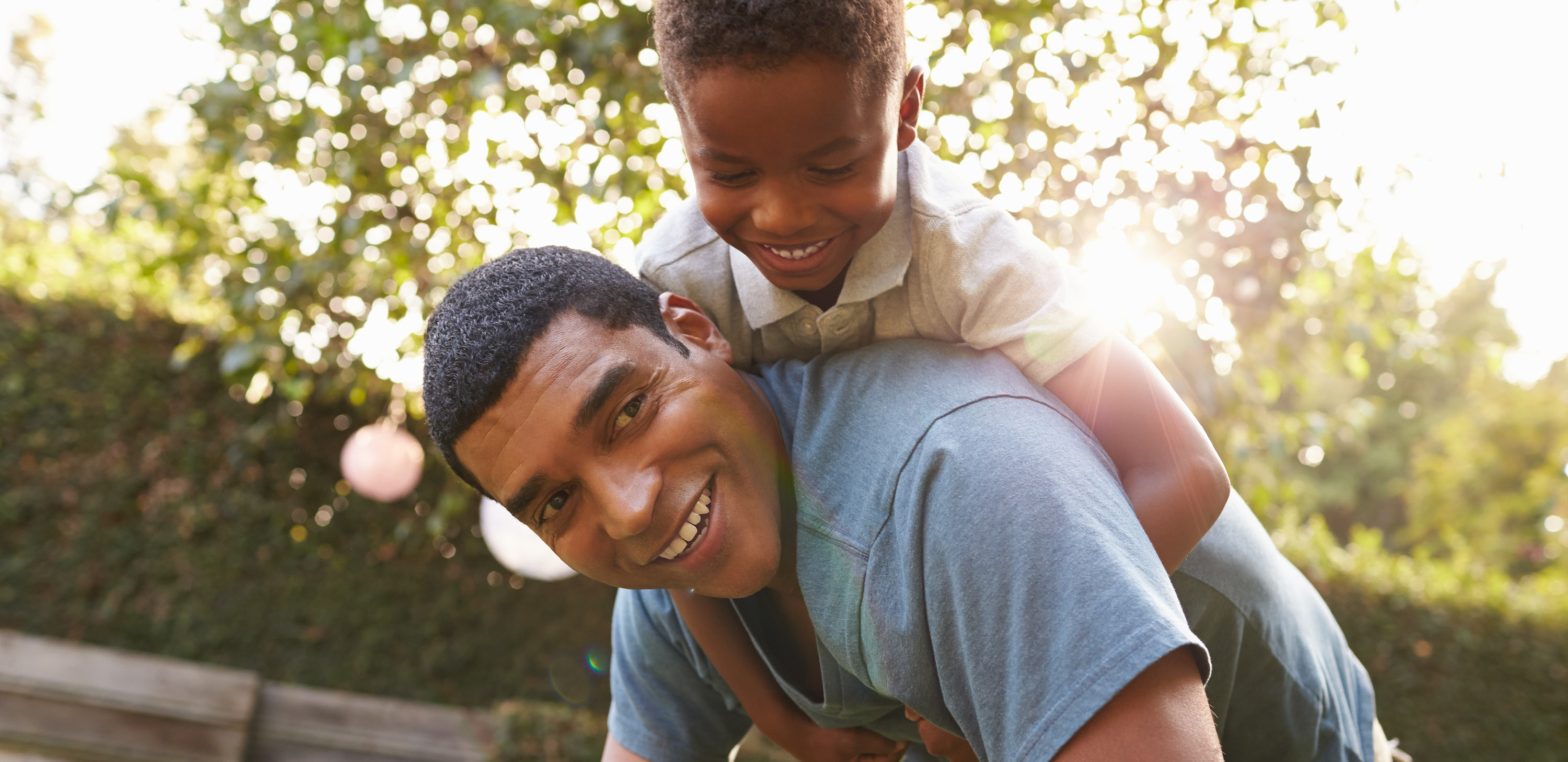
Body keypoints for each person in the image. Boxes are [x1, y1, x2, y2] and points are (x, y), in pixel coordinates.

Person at [420, 247, 1379, 761]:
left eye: (628, 411)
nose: (627, 512)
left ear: (696, 331)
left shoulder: (957, 474)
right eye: (554, 502)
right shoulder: (677, 577)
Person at [634, 3, 1235, 755]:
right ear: (683, 132)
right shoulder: (679, 281)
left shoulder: (976, 260)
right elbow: (673, 536)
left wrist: (1002, 675)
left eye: (832, 166)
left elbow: (1182, 473)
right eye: (729, 171)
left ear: (906, 111)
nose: (783, 215)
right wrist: (788, 723)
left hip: (1188, 608)